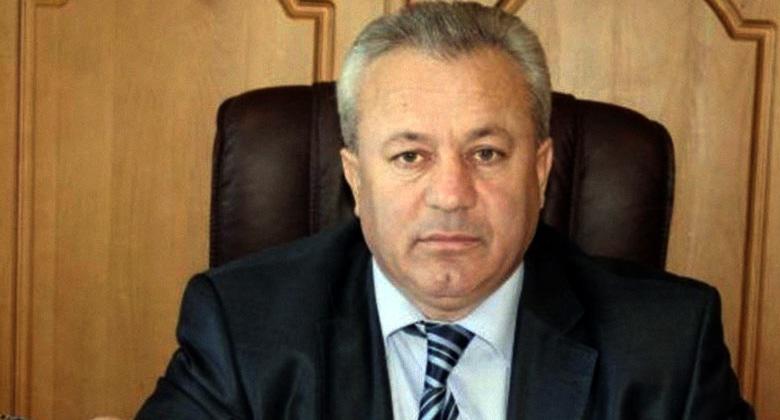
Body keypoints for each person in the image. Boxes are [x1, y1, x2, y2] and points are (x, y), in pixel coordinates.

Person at [137, 2, 753, 419]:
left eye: (486, 153)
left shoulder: (668, 347)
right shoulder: (242, 329)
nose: (452, 194)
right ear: (356, 178)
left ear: (540, 171)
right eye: (410, 156)